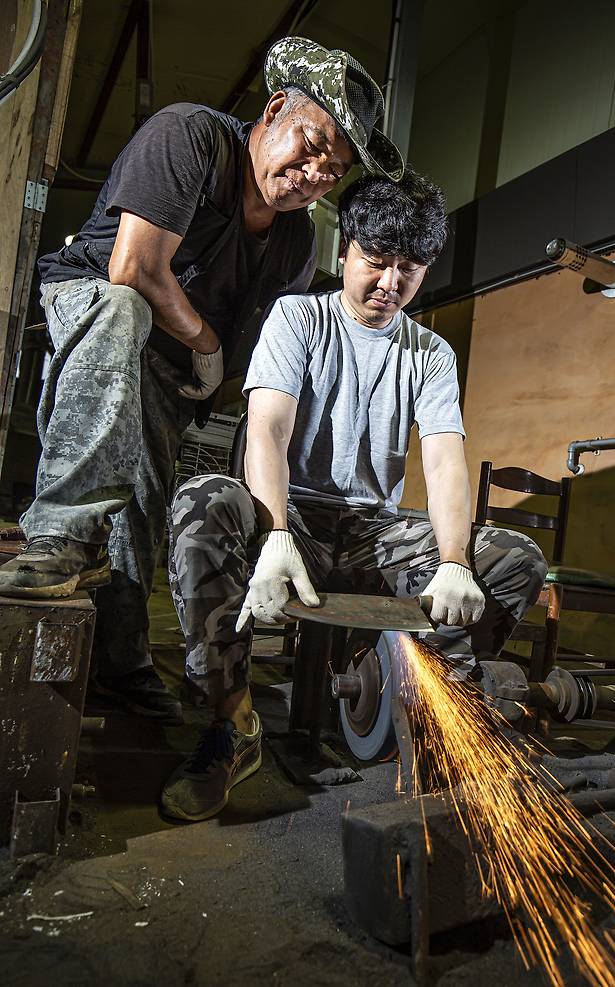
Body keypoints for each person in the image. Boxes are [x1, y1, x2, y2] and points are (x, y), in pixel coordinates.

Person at [0, 38, 403, 722]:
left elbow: (274, 344)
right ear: (274, 110)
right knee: (122, 308)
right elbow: (134, 268)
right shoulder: (190, 138)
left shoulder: (296, 242)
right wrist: (207, 342)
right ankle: (59, 537)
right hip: (93, 300)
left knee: (145, 499)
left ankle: (118, 663)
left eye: (331, 172)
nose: (311, 174)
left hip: (167, 359)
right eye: (308, 147)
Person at [161, 168, 548, 822]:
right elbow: (268, 430)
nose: (391, 283)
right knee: (202, 505)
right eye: (377, 261)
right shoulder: (298, 317)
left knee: (514, 558)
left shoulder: (429, 353)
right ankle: (234, 725)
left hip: (376, 533)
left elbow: (447, 460)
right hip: (300, 522)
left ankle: (433, 707)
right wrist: (276, 529)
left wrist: (454, 557)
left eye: (410, 268)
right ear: (345, 249)